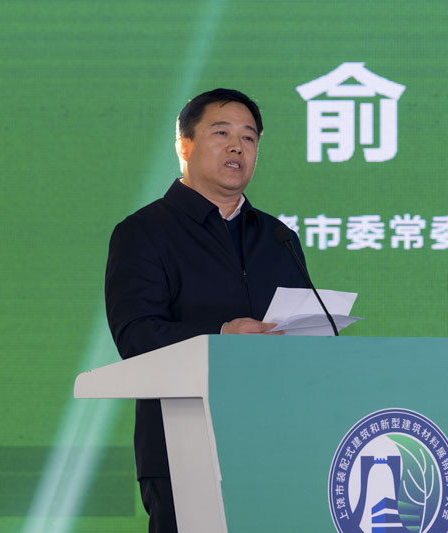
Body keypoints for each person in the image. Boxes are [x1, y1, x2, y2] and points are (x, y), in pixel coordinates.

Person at [104, 88, 310, 532]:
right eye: (222, 133)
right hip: (185, 448)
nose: (237, 147)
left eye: (249, 138)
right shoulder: (144, 232)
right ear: (184, 145)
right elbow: (135, 335)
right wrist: (220, 337)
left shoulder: (279, 237)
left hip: (274, 448)